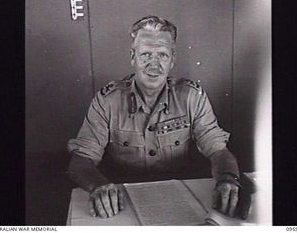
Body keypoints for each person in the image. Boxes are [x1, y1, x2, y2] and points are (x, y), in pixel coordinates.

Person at [67, 15, 243, 220]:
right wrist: (98, 186)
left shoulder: (192, 96)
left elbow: (219, 151)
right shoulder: (108, 101)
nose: (154, 64)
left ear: (173, 59)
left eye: (162, 55)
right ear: (133, 56)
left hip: (177, 200)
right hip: (123, 204)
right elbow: (80, 161)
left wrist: (227, 178)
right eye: (146, 55)